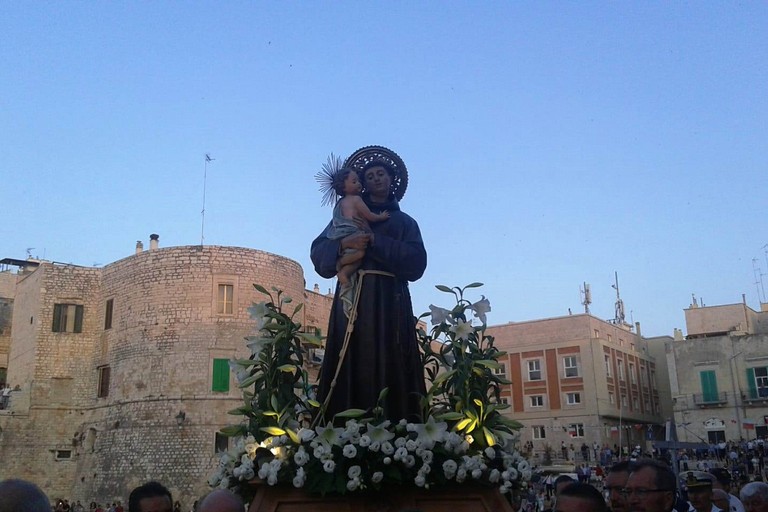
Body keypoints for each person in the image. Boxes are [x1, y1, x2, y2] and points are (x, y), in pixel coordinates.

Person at [311, 146, 427, 423]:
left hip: (389, 303)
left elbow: (416, 262)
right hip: (353, 301)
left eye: (381, 174)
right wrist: (344, 244)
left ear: (391, 179)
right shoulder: (345, 216)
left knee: (391, 362)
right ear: (361, 182)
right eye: (370, 175)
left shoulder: (404, 222)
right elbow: (318, 252)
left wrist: (376, 241)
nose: (376, 179)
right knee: (350, 358)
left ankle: (398, 431)